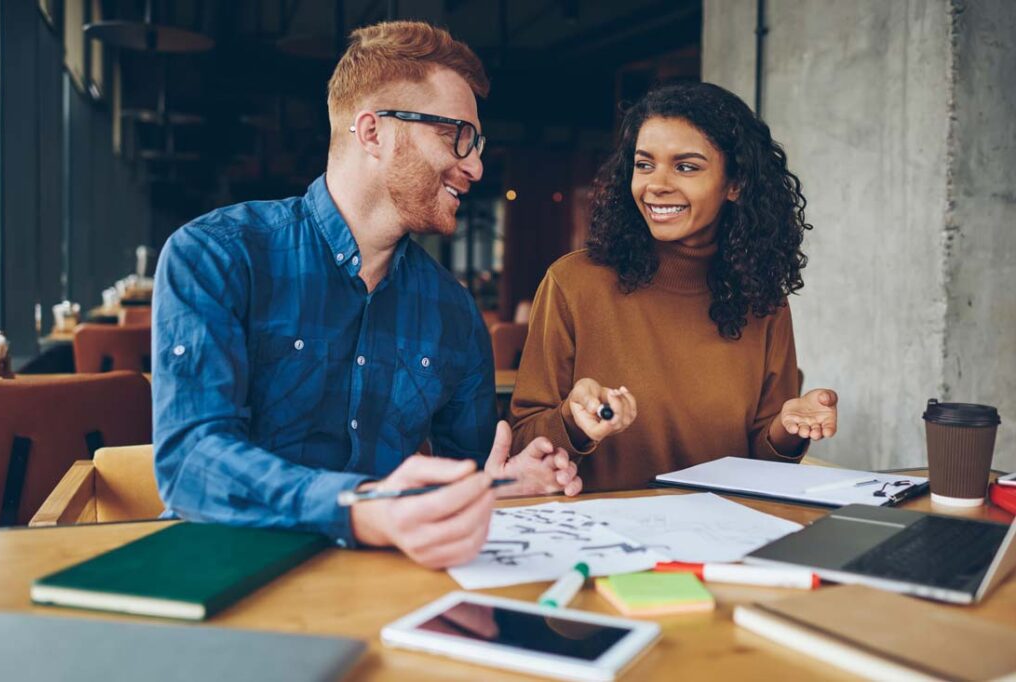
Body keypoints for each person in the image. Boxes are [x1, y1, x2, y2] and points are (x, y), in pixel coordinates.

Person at [152, 21, 582, 570]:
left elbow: (463, 477)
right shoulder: (217, 256)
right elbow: (192, 465)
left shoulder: (453, 311)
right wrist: (361, 510)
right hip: (219, 576)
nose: (475, 166)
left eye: (476, 145)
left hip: (387, 587)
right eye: (458, 136)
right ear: (374, 132)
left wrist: (499, 483)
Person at [510, 82, 838, 492]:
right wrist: (575, 421)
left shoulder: (762, 300)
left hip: (723, 534)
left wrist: (791, 426)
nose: (657, 184)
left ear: (734, 184)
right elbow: (523, 441)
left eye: (686, 166)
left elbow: (763, 459)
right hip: (601, 536)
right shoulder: (573, 283)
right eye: (644, 164)